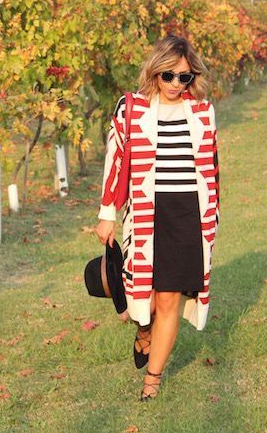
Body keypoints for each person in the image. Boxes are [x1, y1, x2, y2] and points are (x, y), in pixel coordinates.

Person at [95, 35, 221, 401]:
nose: (176, 84)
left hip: (189, 216)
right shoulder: (131, 108)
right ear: (155, 71)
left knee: (169, 299)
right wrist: (107, 214)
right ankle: (143, 330)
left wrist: (213, 219)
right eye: (169, 76)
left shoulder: (202, 111)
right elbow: (115, 161)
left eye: (185, 77)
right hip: (148, 212)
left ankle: (153, 378)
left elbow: (212, 168)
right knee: (142, 299)